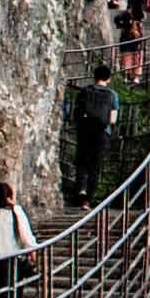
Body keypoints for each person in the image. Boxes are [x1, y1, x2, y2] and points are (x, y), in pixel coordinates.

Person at [64, 67, 119, 205]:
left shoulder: (85, 91)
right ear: (108, 79)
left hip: (85, 130)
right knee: (95, 166)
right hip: (102, 132)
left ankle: (81, 190)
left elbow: (76, 112)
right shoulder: (112, 95)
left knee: (82, 162)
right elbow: (113, 120)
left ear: (94, 77)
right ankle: (88, 200)